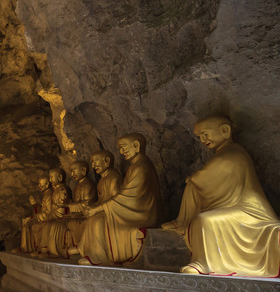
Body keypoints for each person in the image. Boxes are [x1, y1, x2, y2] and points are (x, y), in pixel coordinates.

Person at [163, 116, 280, 276]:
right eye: (199, 137)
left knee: (203, 220)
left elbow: (206, 177)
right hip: (233, 208)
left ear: (225, 131)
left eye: (205, 134)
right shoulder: (223, 153)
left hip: (248, 212)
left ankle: (203, 264)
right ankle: (182, 223)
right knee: (199, 205)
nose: (203, 140)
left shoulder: (233, 153)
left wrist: (195, 178)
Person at [76, 134, 159, 265]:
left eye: (123, 147)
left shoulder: (141, 167)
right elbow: (123, 196)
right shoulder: (134, 166)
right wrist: (95, 208)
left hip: (141, 211)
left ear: (136, 146)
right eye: (119, 148)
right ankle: (91, 252)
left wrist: (99, 208)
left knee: (98, 221)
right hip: (131, 207)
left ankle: (99, 257)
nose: (121, 152)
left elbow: (125, 196)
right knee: (92, 219)